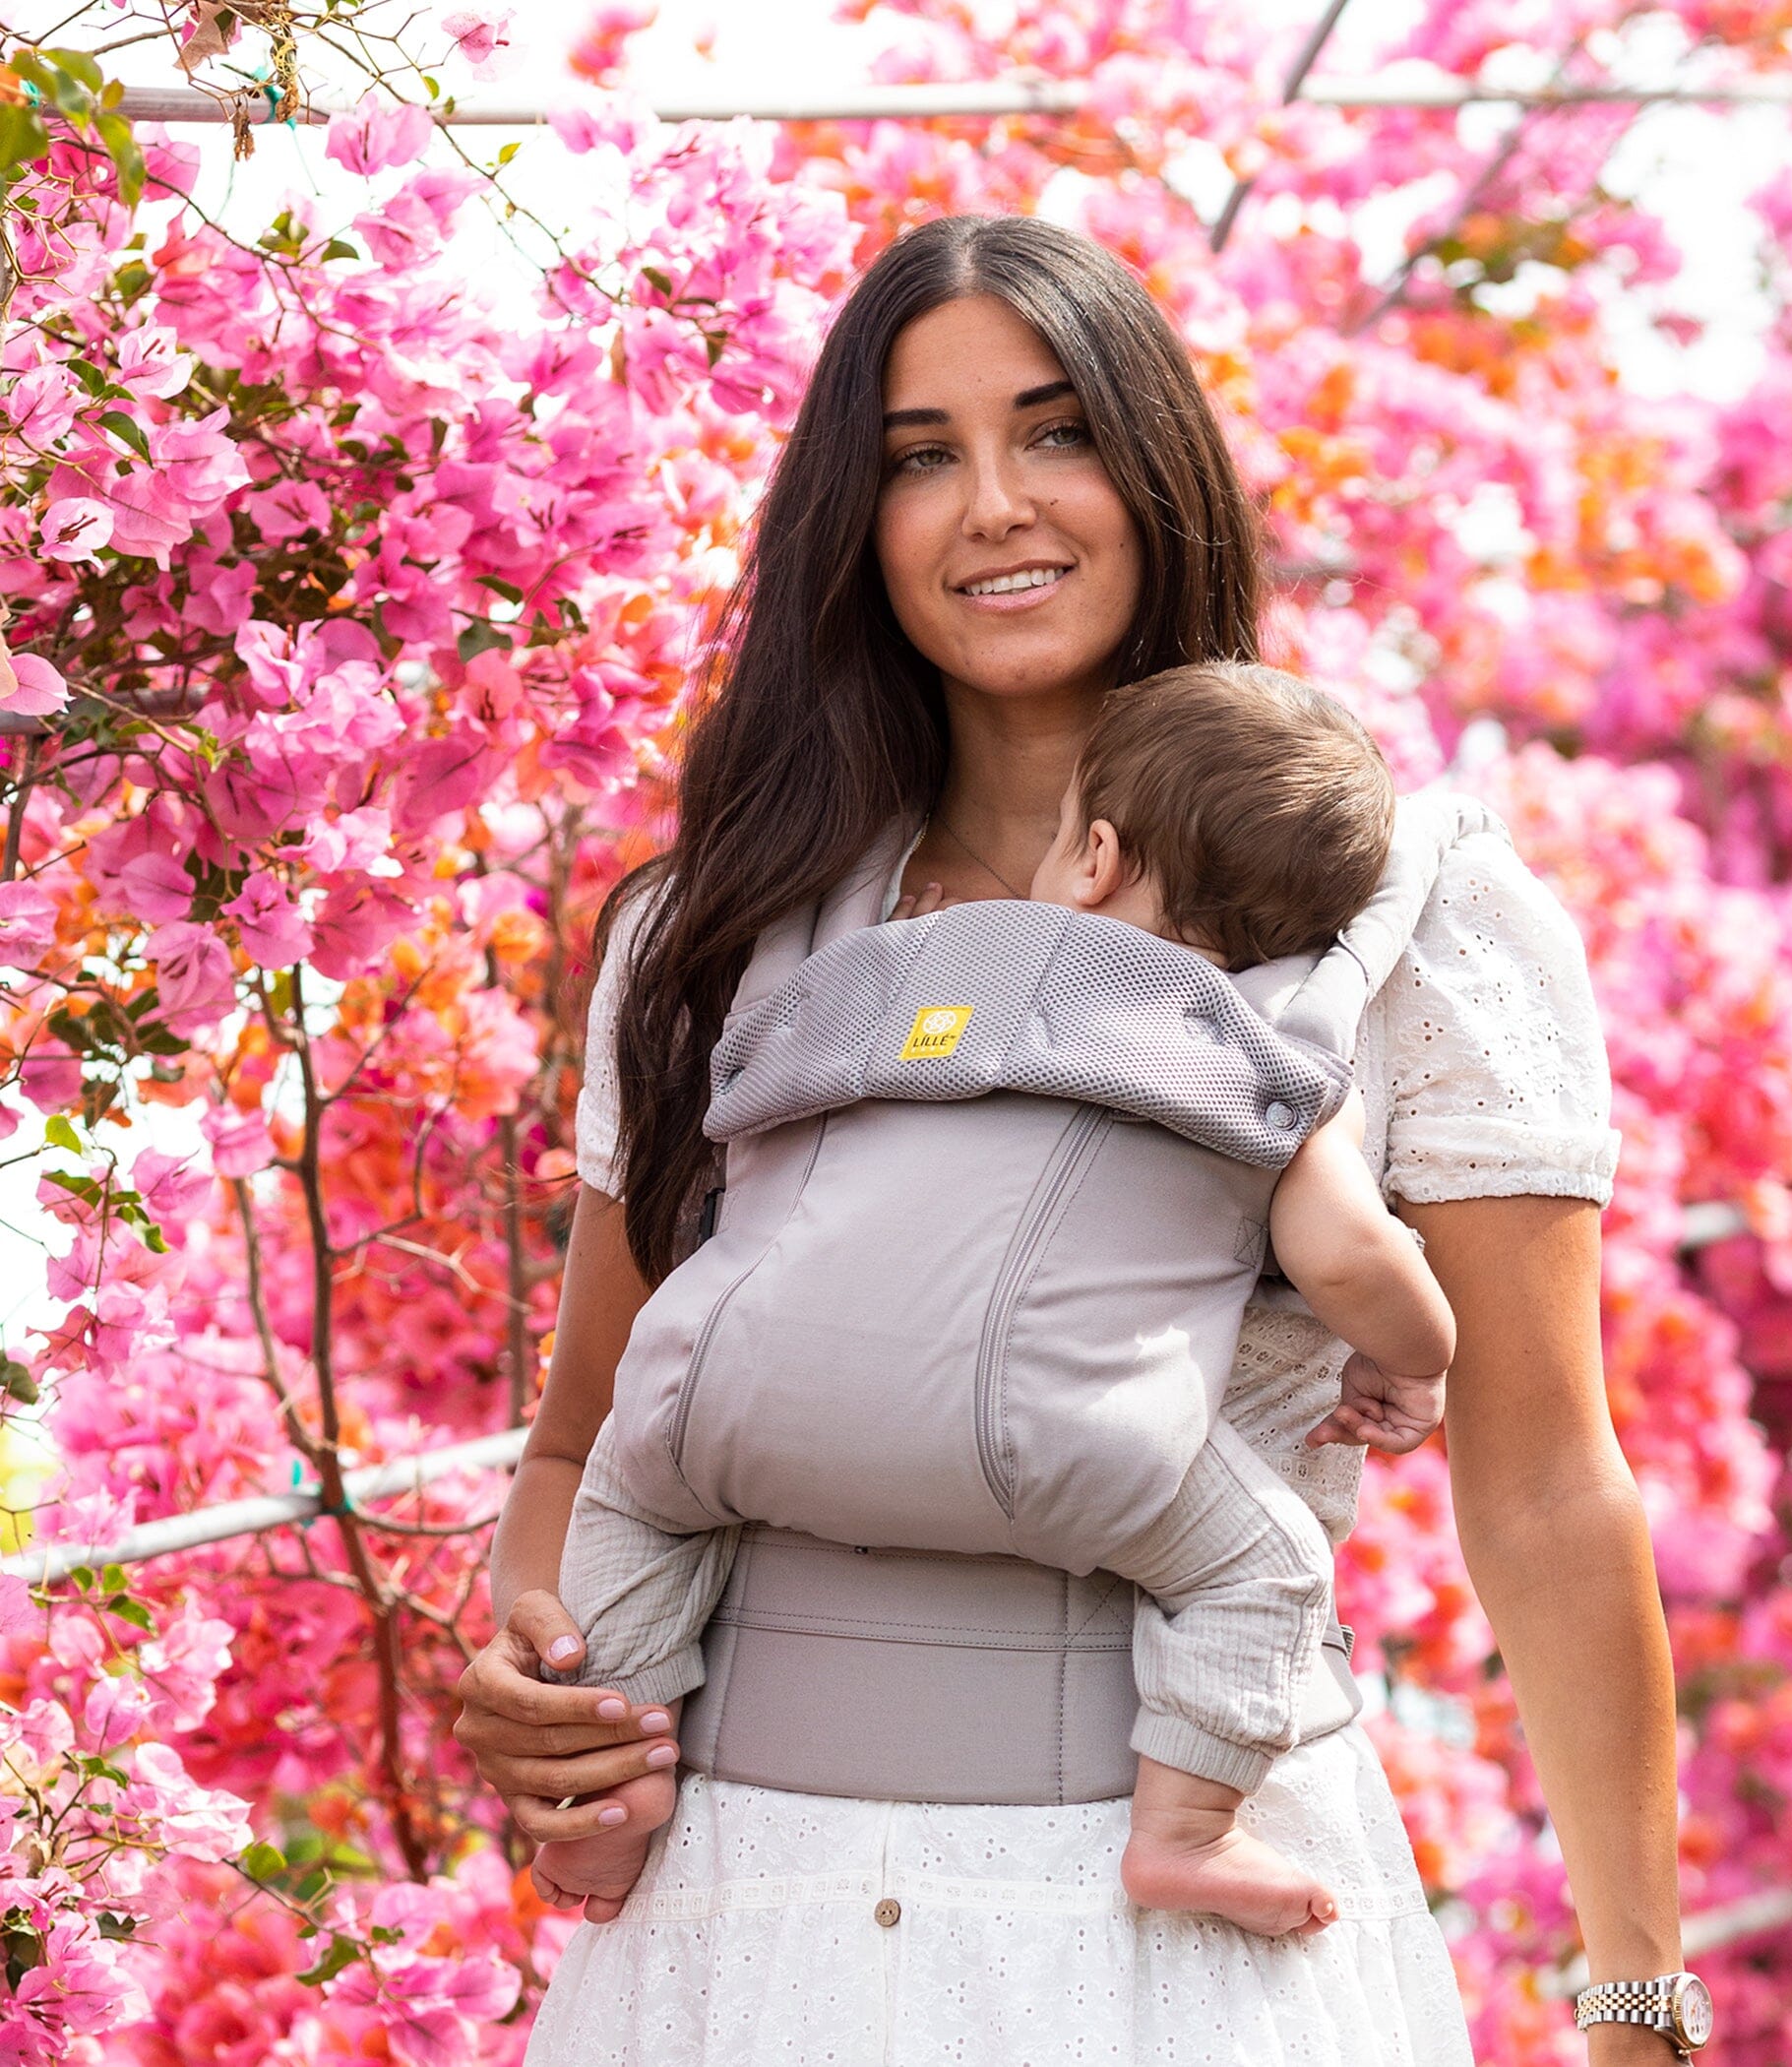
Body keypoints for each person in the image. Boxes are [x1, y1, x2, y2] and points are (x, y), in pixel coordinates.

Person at [457, 214, 1691, 2067]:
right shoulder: (716, 933)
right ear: (850, 525)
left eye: (1055, 432)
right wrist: (538, 1678)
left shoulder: (1407, 915)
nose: (994, 509)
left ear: (1155, 464)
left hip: (1170, 1946)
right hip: (737, 1932)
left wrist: (1641, 1996)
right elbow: (586, 1432)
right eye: (918, 458)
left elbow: (1541, 1485)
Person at [525, 661, 1458, 1938]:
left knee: (636, 1493)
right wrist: (1409, 1361)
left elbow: (744, 1109)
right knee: (1269, 1568)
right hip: (1050, 1442)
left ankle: (613, 1796)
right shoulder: (1259, 1055)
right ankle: (1185, 1829)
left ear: (1093, 854)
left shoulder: (900, 967)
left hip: (733, 1396)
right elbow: (1352, 1263)